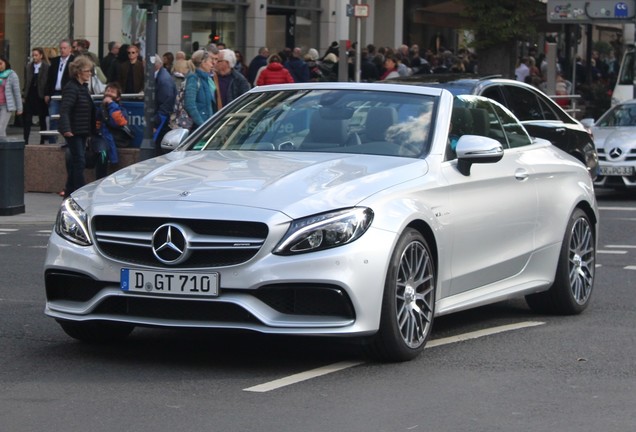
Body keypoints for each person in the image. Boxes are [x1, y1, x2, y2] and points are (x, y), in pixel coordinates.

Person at [58, 56, 97, 197]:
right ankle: (79, 191)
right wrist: (67, 129)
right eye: (87, 71)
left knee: (77, 161)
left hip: (81, 130)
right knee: (79, 161)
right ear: (78, 72)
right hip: (73, 131)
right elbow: (65, 109)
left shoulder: (82, 88)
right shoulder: (72, 88)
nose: (90, 73)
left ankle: (69, 189)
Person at [94, 82, 130, 179]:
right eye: (108, 91)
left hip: (115, 139)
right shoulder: (99, 108)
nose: (109, 94)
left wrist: (111, 105)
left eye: (112, 92)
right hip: (101, 141)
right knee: (102, 153)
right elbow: (96, 124)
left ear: (117, 98)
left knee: (103, 153)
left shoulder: (119, 109)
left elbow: (119, 122)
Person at [45, 39, 75, 143]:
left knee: (68, 117)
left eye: (64, 48)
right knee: (53, 117)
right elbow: (49, 79)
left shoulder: (74, 61)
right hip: (55, 93)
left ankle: (68, 141)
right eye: (61, 48)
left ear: (70, 49)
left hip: (67, 93)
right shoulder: (55, 61)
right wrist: (47, 93)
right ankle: (52, 141)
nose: (62, 50)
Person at [184, 49, 217, 130]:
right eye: (210, 61)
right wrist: (202, 125)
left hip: (206, 125)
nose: (212, 64)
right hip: (198, 128)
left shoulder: (205, 78)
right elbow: (190, 105)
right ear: (203, 62)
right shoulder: (193, 78)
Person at [23, 47, 50, 144]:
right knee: (27, 119)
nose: (34, 57)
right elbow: (26, 81)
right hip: (30, 94)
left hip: (40, 96)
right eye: (33, 55)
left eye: (36, 55)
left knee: (42, 118)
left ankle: (42, 140)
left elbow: (47, 82)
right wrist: (24, 94)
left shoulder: (46, 67)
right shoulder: (28, 67)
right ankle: (25, 140)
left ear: (41, 56)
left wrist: (47, 94)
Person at [153, 54, 177, 153]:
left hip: (162, 119)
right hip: (162, 117)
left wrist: (156, 123)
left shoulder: (163, 79)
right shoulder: (161, 76)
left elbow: (166, 102)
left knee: (159, 148)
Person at [0, 55, 22, 137]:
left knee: (1, 128)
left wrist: (19, 108)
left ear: (5, 63)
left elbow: (17, 92)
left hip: (6, 105)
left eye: (1, 63)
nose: (0, 66)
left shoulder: (12, 75)